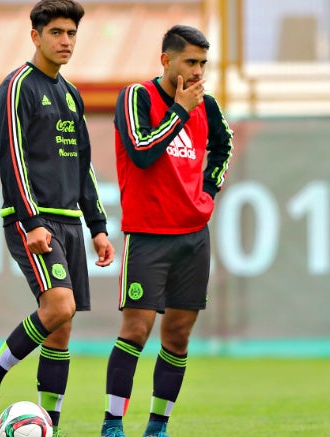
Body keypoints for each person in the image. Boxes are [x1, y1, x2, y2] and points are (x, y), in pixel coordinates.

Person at [0, 1, 115, 434]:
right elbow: (11, 155)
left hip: (71, 221)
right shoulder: (17, 86)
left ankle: (48, 424)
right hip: (33, 218)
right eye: (56, 32)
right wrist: (31, 219)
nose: (66, 41)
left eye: (71, 33)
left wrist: (98, 226)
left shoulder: (71, 94)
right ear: (35, 36)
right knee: (60, 306)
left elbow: (84, 165)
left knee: (61, 329)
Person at [100, 25, 234, 437]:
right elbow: (141, 152)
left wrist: (207, 193)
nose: (197, 72)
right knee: (136, 331)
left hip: (193, 236)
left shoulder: (206, 106)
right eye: (190, 62)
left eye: (202, 64)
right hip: (148, 235)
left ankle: (157, 426)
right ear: (166, 60)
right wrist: (178, 110)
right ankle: (113, 424)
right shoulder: (136, 97)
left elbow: (223, 146)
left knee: (177, 335)